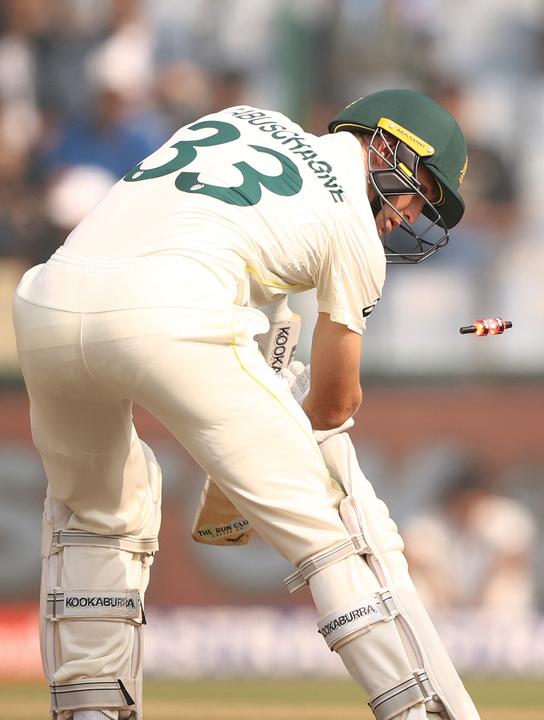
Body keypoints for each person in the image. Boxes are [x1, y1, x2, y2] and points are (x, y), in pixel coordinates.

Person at [12, 89, 480, 720]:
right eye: (415, 193)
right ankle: (415, 711)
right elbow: (336, 402)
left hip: (45, 304)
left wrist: (234, 467)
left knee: (98, 514)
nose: (403, 218)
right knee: (329, 528)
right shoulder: (350, 224)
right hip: (167, 310)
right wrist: (256, 470)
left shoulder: (240, 120)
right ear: (388, 146)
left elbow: (232, 270)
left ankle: (91, 710)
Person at [403, 460, 536, 617]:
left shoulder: (506, 518)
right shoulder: (428, 524)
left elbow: (511, 560)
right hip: (444, 604)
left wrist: (479, 597)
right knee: (420, 589)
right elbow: (415, 560)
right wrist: (449, 595)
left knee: (506, 588)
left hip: (487, 607)